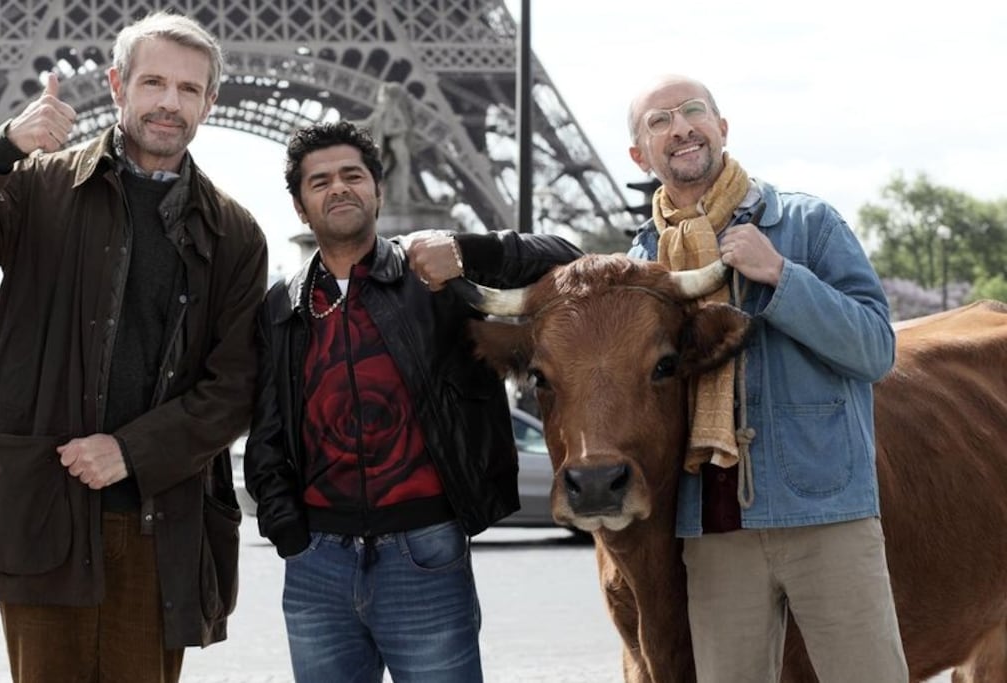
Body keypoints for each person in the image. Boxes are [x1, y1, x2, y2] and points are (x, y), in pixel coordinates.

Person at [0, 11, 268, 682]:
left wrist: (130, 450)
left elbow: (237, 385)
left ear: (209, 102)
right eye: (153, 82)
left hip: (160, 521)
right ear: (116, 84)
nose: (168, 102)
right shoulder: (36, 183)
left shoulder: (235, 233)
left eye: (188, 89)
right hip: (46, 512)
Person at [245, 120, 581, 682]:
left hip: (424, 551)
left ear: (378, 189)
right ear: (301, 209)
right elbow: (268, 424)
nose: (339, 188)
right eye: (319, 181)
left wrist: (467, 248)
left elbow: (568, 259)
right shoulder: (283, 303)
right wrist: (288, 533)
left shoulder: (434, 279)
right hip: (316, 561)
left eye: (353, 175)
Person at [625, 74, 908, 682]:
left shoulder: (809, 224)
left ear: (722, 128)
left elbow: (875, 350)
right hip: (711, 531)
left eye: (693, 111)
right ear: (639, 154)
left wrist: (781, 273)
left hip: (825, 515)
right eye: (658, 121)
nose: (679, 127)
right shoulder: (639, 268)